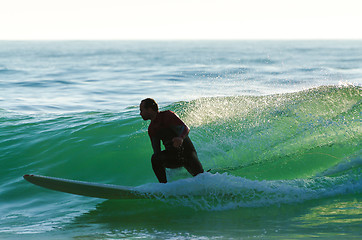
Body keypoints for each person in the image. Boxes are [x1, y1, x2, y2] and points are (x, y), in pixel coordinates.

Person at [140, 98, 204, 183]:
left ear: (150, 109)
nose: (140, 114)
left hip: (188, 154)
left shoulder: (167, 115)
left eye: (141, 110)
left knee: (202, 179)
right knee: (155, 158)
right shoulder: (152, 129)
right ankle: (164, 186)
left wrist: (180, 138)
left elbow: (185, 128)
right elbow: (157, 152)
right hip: (174, 157)